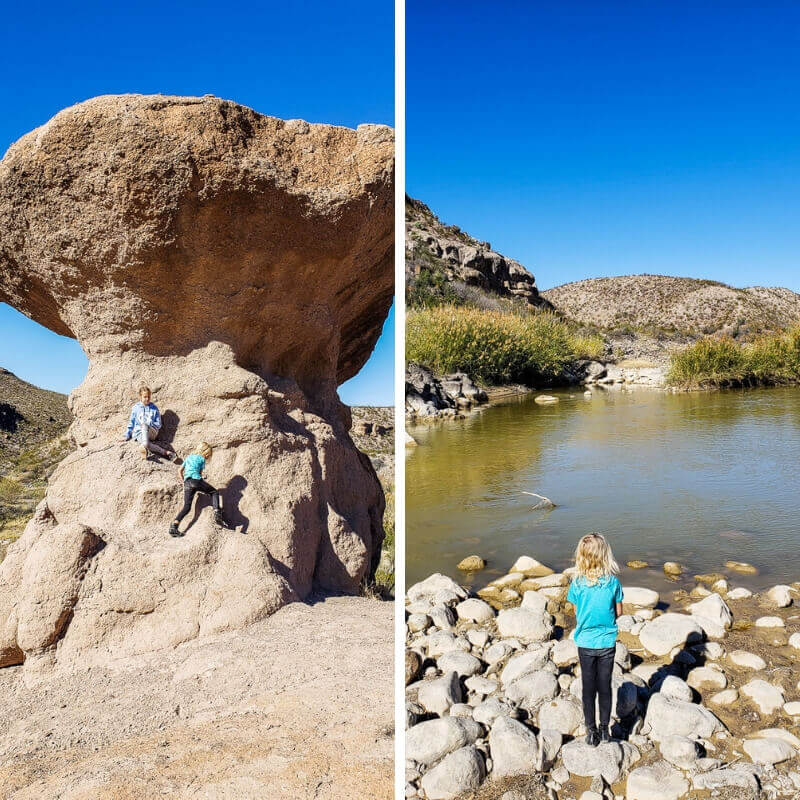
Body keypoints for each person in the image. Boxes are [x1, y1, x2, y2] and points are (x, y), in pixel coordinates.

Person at [567, 533, 623, 747]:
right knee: (605, 686)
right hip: (607, 642)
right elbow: (618, 611)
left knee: (588, 688)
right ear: (605, 556)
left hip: (586, 643)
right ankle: (605, 729)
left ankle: (591, 732)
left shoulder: (578, 584)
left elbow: (577, 612)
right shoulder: (613, 583)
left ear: (581, 557)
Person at [169, 441, 227, 536]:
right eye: (208, 454)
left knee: (187, 507)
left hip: (187, 482)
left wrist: (183, 480)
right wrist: (202, 482)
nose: (208, 456)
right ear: (205, 452)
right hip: (196, 480)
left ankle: (174, 526)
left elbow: (179, 470)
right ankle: (217, 512)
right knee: (214, 492)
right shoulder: (201, 459)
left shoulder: (188, 457)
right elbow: (199, 474)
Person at [124, 384, 178, 461]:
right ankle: (168, 453)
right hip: (139, 433)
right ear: (140, 397)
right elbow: (131, 422)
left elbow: (159, 424)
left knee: (145, 425)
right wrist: (127, 435)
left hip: (151, 432)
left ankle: (144, 445)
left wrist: (148, 424)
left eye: (149, 397)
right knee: (147, 443)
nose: (147, 399)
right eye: (145, 397)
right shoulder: (135, 408)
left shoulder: (154, 408)